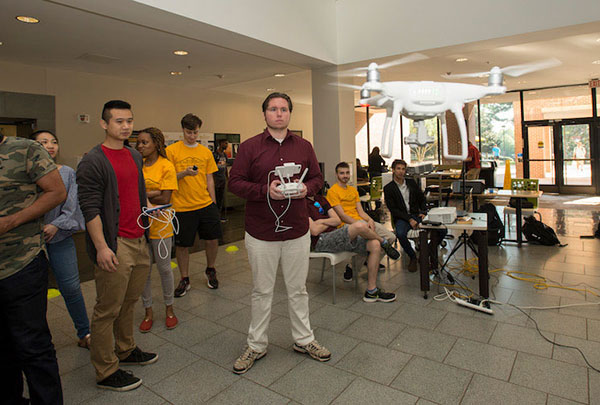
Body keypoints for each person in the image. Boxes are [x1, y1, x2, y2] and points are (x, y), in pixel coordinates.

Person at [229, 92, 331, 374]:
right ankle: (256, 345)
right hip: (261, 232)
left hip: (297, 230)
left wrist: (306, 189)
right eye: (273, 109)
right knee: (262, 291)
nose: (279, 113)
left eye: (284, 109)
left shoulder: (304, 146)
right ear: (264, 114)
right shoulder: (250, 148)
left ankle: (304, 339)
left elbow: (317, 178)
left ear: (290, 113)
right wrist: (265, 191)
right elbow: (235, 183)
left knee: (298, 289)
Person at [77, 100, 157, 392]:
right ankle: (106, 369)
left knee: (130, 302)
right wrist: (101, 248)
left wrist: (152, 208)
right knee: (107, 308)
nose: (126, 126)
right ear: (104, 124)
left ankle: (125, 348)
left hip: (138, 239)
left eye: (129, 121)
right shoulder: (93, 161)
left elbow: (135, 193)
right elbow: (90, 208)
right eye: (119, 121)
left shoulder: (134, 156)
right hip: (115, 242)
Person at [1, 132, 66, 404]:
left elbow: (57, 192)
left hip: (21, 263)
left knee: (33, 347)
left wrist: (11, 221)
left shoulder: (25, 150)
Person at [30, 130, 91, 349]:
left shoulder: (66, 173)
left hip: (59, 237)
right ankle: (35, 340)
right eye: (43, 142)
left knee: (71, 287)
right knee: (32, 294)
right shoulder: (23, 174)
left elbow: (73, 208)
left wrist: (56, 225)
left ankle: (85, 332)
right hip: (26, 243)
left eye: (54, 142)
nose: (50, 146)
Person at [166, 113, 222, 295]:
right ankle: (184, 278)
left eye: (195, 132)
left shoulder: (205, 152)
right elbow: (167, 178)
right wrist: (183, 174)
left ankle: (210, 269)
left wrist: (213, 202)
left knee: (212, 239)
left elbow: (210, 178)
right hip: (181, 206)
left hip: (205, 204)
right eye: (189, 132)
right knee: (183, 245)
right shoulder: (172, 151)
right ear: (183, 130)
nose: (192, 136)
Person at [307, 193, 399, 302]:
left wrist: (320, 221)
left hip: (335, 234)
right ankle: (383, 241)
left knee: (374, 244)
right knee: (359, 225)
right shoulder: (301, 204)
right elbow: (314, 231)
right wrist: (329, 222)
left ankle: (371, 291)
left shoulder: (320, 199)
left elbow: (337, 220)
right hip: (320, 241)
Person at [135, 128, 178, 332]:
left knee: (164, 269)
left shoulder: (166, 166)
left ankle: (169, 309)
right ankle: (148, 311)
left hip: (161, 228)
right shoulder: (137, 166)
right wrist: (153, 192)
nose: (140, 146)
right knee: (144, 271)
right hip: (140, 227)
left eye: (145, 142)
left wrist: (144, 195)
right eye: (139, 143)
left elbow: (165, 198)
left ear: (156, 144)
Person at [326, 161, 397, 281]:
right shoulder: (332, 191)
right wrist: (362, 225)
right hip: (347, 226)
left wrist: (369, 220)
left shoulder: (353, 190)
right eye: (342, 173)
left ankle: (370, 261)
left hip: (361, 222)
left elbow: (361, 211)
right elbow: (342, 216)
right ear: (336, 175)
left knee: (391, 237)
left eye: (347, 173)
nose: (345, 176)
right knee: (370, 243)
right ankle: (352, 268)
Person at [384, 159, 447, 272]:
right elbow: (393, 209)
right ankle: (412, 257)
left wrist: (423, 211)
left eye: (403, 169)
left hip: (416, 214)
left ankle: (425, 253)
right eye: (398, 169)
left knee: (442, 230)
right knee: (400, 233)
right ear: (393, 170)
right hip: (402, 218)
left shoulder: (411, 183)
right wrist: (409, 219)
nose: (401, 172)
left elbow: (421, 198)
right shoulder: (389, 188)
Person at [213, 138, 229, 222]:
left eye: (227, 143)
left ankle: (219, 215)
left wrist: (227, 177)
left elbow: (225, 167)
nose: (226, 145)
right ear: (220, 143)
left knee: (221, 199)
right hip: (216, 180)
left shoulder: (225, 155)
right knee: (215, 198)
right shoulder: (215, 155)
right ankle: (214, 216)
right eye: (225, 143)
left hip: (222, 180)